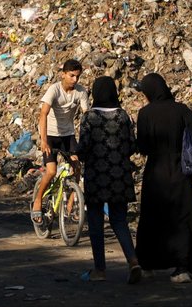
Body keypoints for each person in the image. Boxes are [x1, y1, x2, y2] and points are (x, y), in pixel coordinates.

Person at [135, 73, 192, 283]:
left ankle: (148, 264)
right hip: (179, 172)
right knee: (182, 217)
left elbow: (143, 146)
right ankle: (182, 268)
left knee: (152, 218)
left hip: (155, 173)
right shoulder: (181, 109)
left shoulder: (145, 114)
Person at [76, 76, 141, 284]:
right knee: (119, 220)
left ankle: (99, 270)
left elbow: (83, 149)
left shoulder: (89, 117)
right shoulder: (123, 116)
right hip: (120, 176)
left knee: (95, 221)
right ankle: (133, 261)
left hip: (96, 176)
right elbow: (132, 146)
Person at [31, 59, 89, 224]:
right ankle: (37, 201)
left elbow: (86, 116)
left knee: (77, 168)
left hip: (68, 135)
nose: (75, 80)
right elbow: (43, 114)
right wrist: (43, 141)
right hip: (50, 135)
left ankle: (71, 205)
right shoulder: (54, 90)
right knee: (51, 172)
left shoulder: (81, 92)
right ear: (63, 74)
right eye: (71, 76)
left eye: (77, 77)